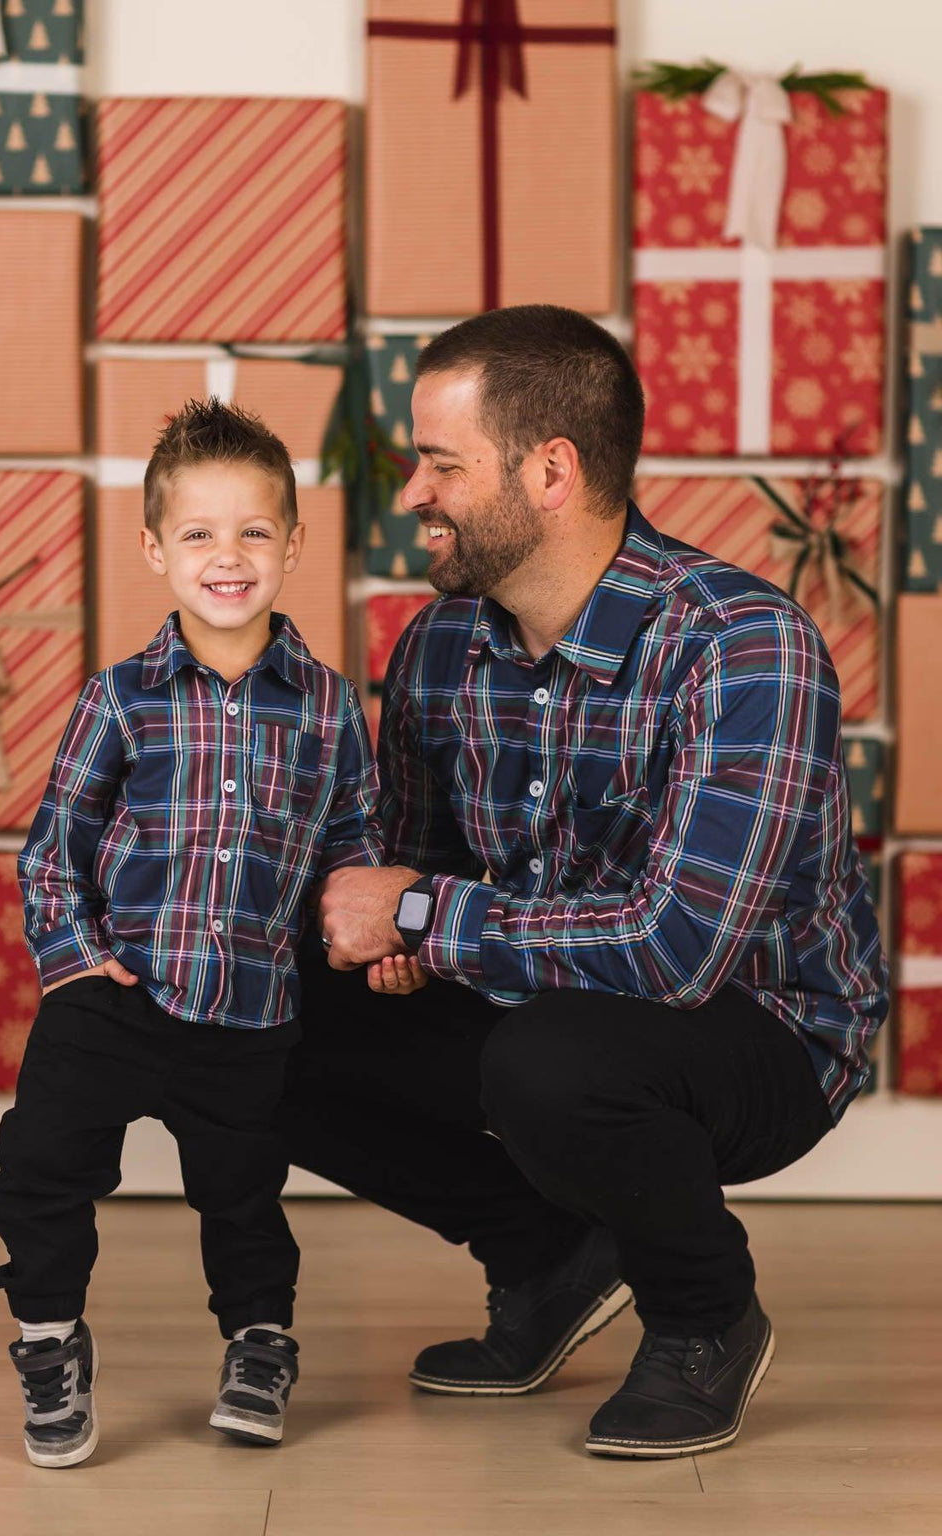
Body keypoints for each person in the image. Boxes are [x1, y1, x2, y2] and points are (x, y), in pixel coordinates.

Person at [281, 305, 889, 1459]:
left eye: (442, 463)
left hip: (759, 1029)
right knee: (249, 1017)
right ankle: (544, 1256)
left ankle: (705, 1315)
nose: (413, 493)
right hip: (544, 1001)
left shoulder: (741, 645)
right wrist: (383, 932)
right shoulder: (436, 647)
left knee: (553, 1059)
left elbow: (675, 952)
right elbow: (420, 881)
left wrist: (418, 911)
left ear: (550, 471)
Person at [0, 398, 418, 1467]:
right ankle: (47, 1340)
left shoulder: (323, 706)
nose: (228, 557)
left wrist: (374, 937)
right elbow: (52, 849)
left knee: (242, 1194)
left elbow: (351, 850)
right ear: (154, 549)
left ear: (293, 542)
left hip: (246, 1005)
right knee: (40, 1168)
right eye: (198, 533)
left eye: (253, 531)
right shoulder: (119, 700)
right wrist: (77, 968)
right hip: (114, 993)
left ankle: (259, 1342)